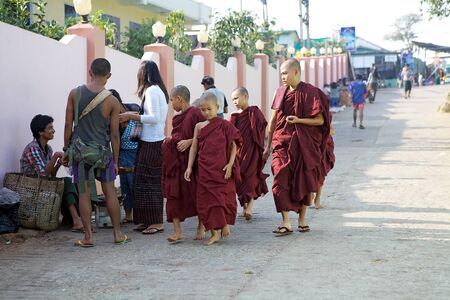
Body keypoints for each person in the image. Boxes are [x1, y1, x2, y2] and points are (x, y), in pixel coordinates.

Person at [63, 58, 128, 247]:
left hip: (80, 154)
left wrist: (66, 149)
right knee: (110, 193)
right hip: (102, 154)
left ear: (90, 72)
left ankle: (88, 237)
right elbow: (114, 135)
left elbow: (68, 124)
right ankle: (117, 234)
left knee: (83, 193)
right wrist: (115, 160)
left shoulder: (75, 94)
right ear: (109, 76)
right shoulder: (112, 101)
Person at [263, 58, 331, 235]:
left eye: (285, 73)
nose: (283, 77)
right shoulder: (279, 93)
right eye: (281, 74)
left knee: (302, 180)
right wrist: (268, 145)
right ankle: (286, 222)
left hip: (303, 144)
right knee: (279, 178)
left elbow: (320, 120)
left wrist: (299, 120)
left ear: (296, 72)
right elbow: (273, 120)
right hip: (282, 142)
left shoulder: (311, 92)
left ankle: (301, 219)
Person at [184, 92, 241, 246]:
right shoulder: (199, 126)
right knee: (206, 202)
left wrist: (230, 164)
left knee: (222, 199)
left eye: (209, 109)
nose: (206, 113)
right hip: (205, 170)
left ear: (217, 107)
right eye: (203, 110)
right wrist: (189, 167)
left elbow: (234, 145)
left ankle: (223, 225)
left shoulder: (225, 125)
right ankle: (214, 233)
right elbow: (194, 148)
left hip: (221, 170)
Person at [119, 60, 168, 235]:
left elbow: (154, 118)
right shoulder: (154, 90)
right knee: (141, 182)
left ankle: (156, 222)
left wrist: (131, 116)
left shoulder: (153, 91)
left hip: (153, 142)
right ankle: (145, 220)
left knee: (151, 183)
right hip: (147, 141)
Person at [20, 114, 83, 232]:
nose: (53, 130)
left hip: (42, 185)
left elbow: (51, 175)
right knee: (67, 182)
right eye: (50, 128)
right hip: (32, 188)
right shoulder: (32, 148)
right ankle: (76, 220)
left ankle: (74, 219)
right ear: (40, 132)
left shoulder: (48, 148)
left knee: (72, 182)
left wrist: (59, 163)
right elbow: (43, 175)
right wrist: (56, 156)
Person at [162, 85, 206, 243]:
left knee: (197, 195)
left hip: (193, 163)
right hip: (177, 162)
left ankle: (201, 226)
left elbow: (207, 133)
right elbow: (176, 135)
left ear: (179, 99)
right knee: (173, 196)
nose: (171, 104)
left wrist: (189, 141)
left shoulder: (196, 113)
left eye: (172, 100)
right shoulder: (177, 118)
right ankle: (177, 232)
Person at [229, 87, 268, 220]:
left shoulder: (254, 112)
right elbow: (230, 136)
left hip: (252, 152)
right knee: (239, 181)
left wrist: (264, 147)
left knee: (251, 179)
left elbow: (262, 127)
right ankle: (245, 206)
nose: (234, 101)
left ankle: (250, 208)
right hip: (238, 154)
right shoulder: (234, 117)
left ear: (245, 96)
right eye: (232, 99)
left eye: (236, 98)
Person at [110, 89, 138, 224]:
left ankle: (139, 213)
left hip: (136, 152)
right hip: (122, 153)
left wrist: (129, 116)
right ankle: (128, 215)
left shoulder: (133, 108)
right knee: (125, 184)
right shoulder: (111, 118)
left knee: (134, 184)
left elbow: (143, 118)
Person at [313, 121, 335, 209]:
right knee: (309, 171)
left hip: (323, 143)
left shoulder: (324, 109)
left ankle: (317, 199)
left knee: (321, 173)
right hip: (310, 142)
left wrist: (326, 131)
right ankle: (310, 194)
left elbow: (332, 130)